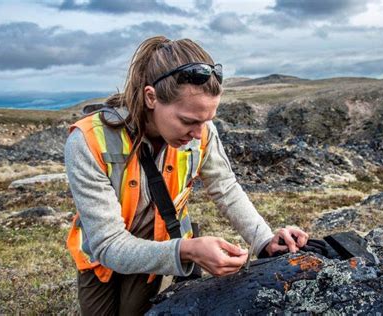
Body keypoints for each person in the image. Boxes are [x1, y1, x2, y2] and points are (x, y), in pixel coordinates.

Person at [64, 35, 309, 315]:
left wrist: (265, 241)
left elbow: (226, 188)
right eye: (188, 121)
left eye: (207, 120)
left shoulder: (203, 132)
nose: (198, 133)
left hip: (166, 243)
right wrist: (188, 251)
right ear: (151, 97)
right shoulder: (88, 141)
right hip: (101, 258)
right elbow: (108, 244)